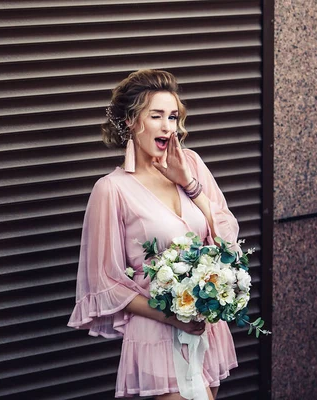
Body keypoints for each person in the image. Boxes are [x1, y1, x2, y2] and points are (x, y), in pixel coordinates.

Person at [67, 70, 239, 400]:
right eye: (156, 116)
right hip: (156, 334)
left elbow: (227, 240)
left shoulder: (192, 164)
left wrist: (190, 184)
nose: (168, 126)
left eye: (173, 116)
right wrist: (173, 317)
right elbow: (105, 282)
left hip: (206, 330)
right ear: (131, 121)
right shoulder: (111, 190)